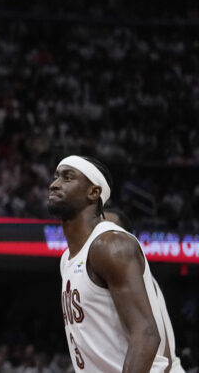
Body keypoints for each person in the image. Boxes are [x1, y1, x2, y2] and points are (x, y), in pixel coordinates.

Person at [47, 156, 166, 372]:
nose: (54, 184)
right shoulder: (67, 259)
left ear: (93, 192)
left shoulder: (110, 244)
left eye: (67, 177)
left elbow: (146, 333)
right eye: (56, 177)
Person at [102, 206, 185, 373]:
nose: (102, 239)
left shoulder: (136, 279)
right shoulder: (99, 279)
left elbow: (163, 355)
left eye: (110, 232)